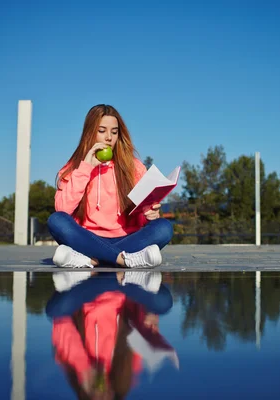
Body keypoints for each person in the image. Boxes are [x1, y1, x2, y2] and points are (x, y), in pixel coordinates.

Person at [47, 104, 174, 269]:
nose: (109, 137)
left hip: (128, 238)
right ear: (89, 133)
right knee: (56, 221)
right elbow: (62, 209)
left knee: (163, 228)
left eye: (114, 132)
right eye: (102, 131)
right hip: (87, 238)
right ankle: (124, 260)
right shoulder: (75, 167)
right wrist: (86, 167)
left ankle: (91, 260)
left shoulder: (134, 167)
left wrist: (150, 214)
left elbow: (141, 220)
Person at [46, 271, 177, 399]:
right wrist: (149, 319)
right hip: (123, 285)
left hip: (87, 289)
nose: (101, 397)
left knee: (55, 310)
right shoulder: (127, 367)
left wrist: (84, 369)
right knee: (162, 304)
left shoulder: (74, 367)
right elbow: (137, 320)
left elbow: (62, 323)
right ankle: (115, 260)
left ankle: (106, 261)